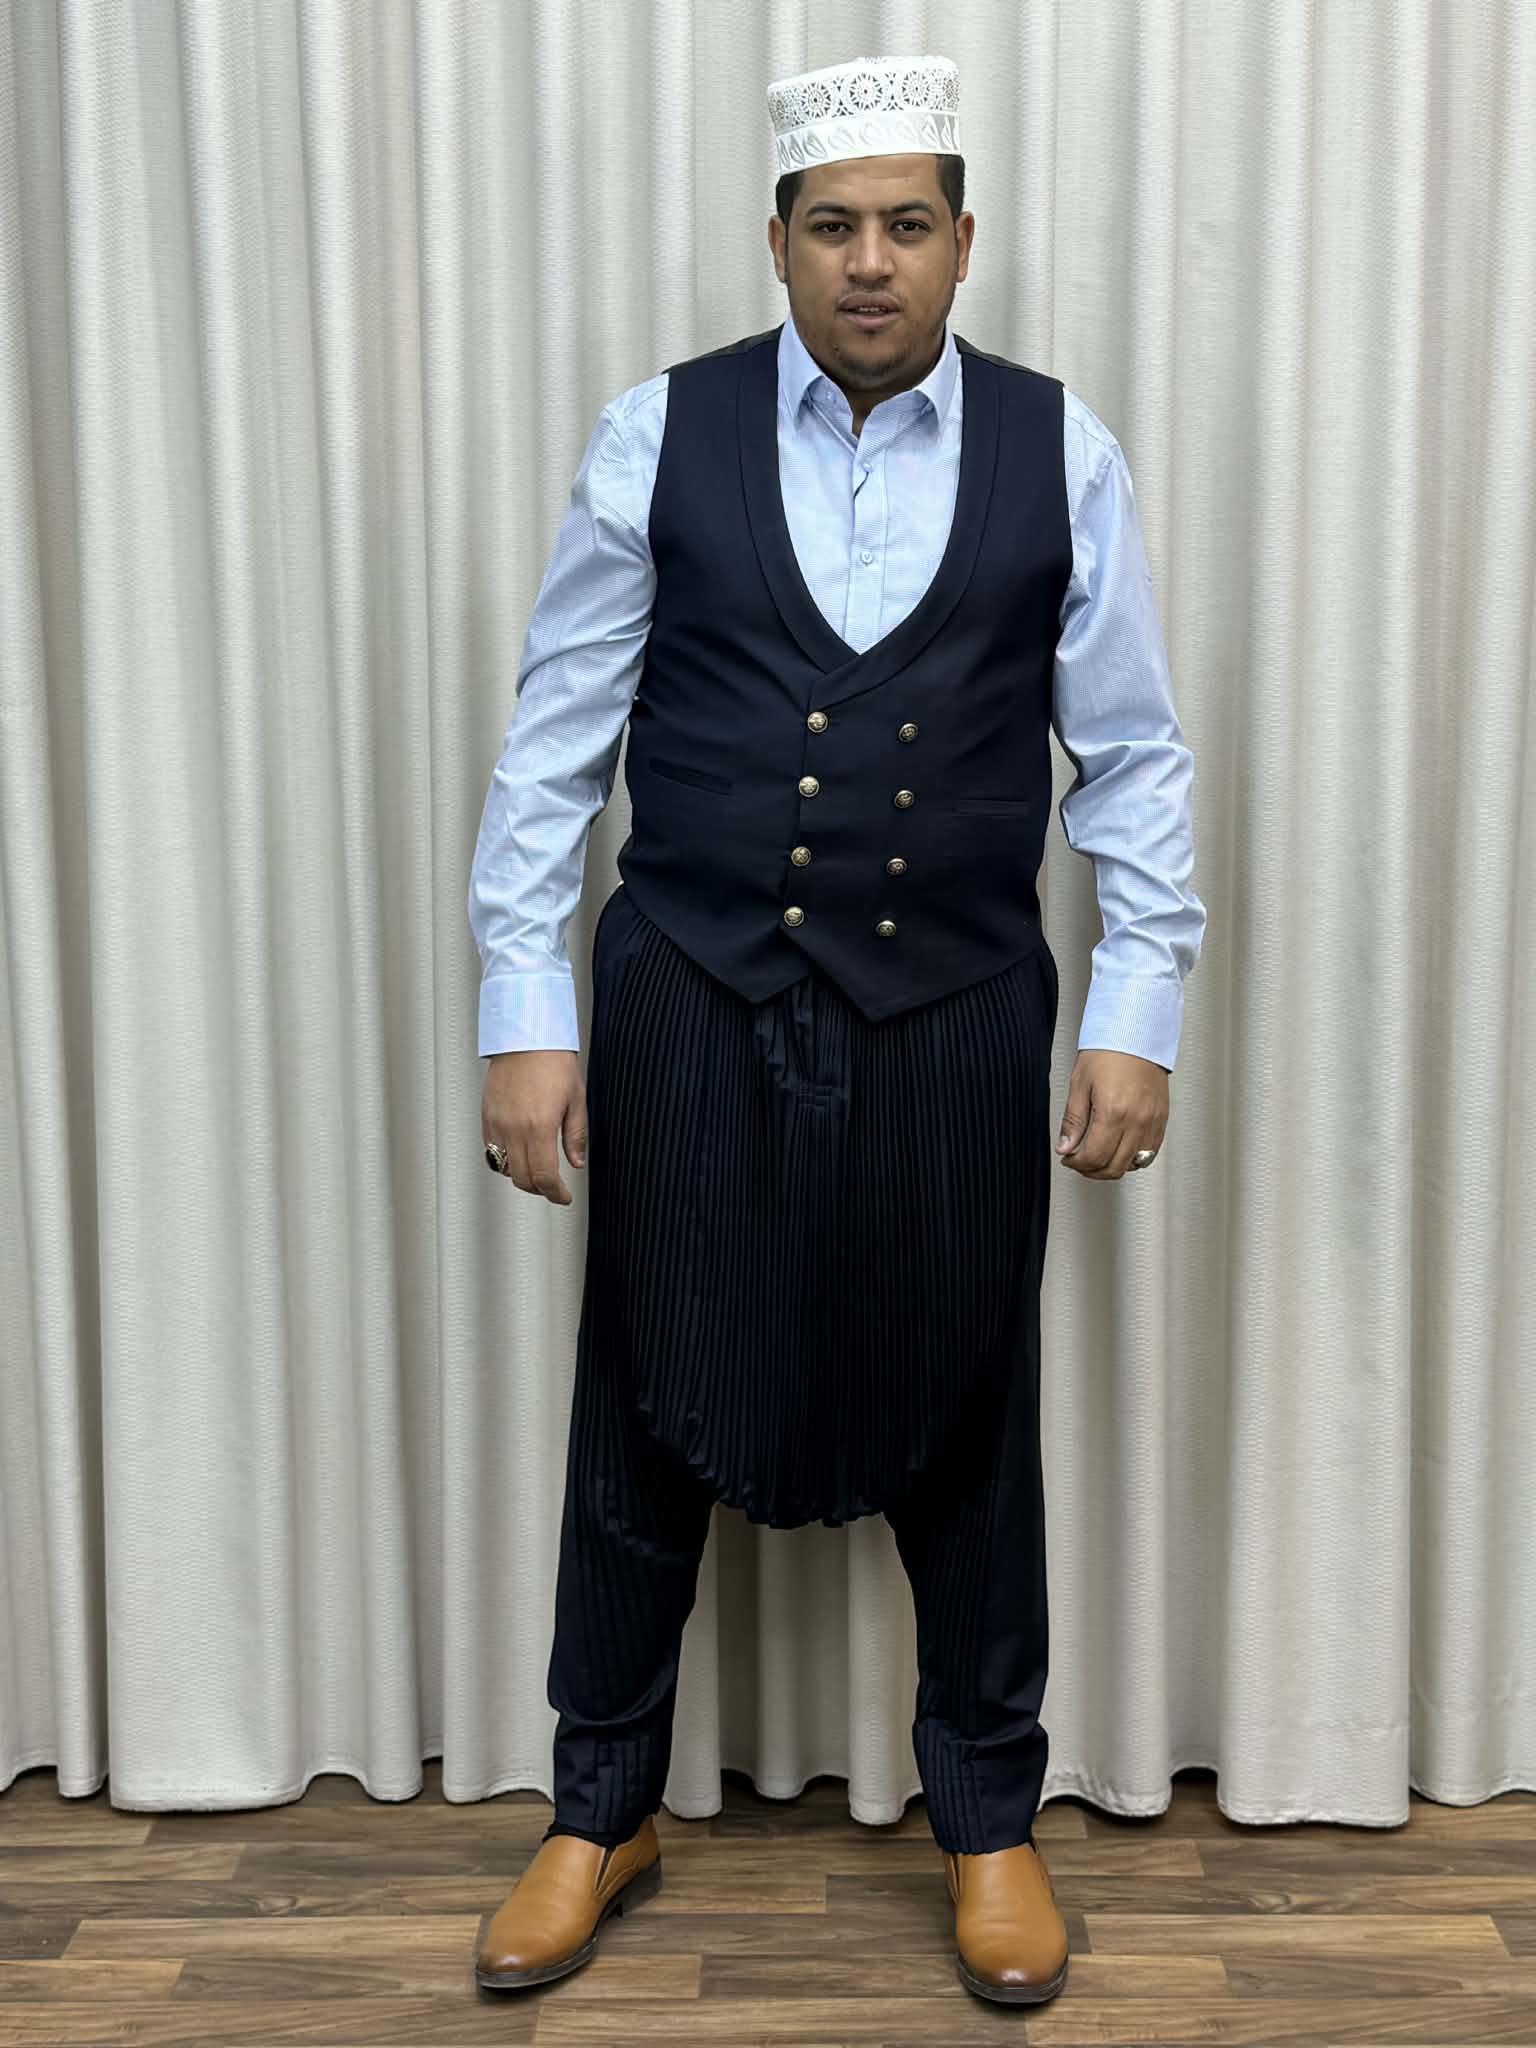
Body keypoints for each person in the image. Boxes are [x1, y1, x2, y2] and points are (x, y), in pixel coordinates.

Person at [466, 51, 1205, 2009]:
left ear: (963, 241)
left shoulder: (1063, 450)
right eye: (832, 226)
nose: (870, 260)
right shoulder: (656, 433)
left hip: (955, 1003)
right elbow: (554, 745)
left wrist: (1138, 1006)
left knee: (971, 1411)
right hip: (689, 989)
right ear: (778, 243)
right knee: (642, 1398)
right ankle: (599, 1807)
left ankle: (988, 1817)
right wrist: (523, 1007)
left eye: (906, 224)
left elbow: (1133, 755)